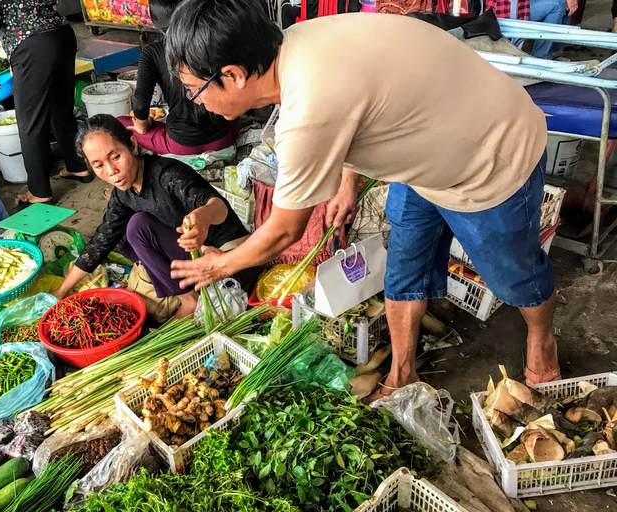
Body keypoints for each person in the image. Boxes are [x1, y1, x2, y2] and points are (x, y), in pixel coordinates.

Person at [165, 5, 558, 398]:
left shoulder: (307, 109)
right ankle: (402, 374)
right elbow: (364, 102)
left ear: (232, 76)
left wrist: (221, 265)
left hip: (493, 154)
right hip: (426, 155)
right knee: (404, 269)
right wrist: (346, 180)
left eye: (193, 89)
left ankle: (542, 338)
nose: (193, 101)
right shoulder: (299, 42)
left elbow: (285, 229)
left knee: (513, 275)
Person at [52, 115, 256, 318]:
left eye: (116, 157)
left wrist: (203, 217)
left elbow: (218, 205)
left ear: (132, 145)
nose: (111, 171)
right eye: (99, 165)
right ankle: (172, 284)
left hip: (227, 263)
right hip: (192, 264)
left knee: (139, 226)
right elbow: (100, 243)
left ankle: (189, 300)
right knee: (118, 234)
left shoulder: (167, 174)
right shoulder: (123, 193)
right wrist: (61, 291)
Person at [0, 0, 90, 207]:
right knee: (60, 110)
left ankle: (39, 192)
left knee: (30, 123)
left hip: (30, 43)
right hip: (60, 34)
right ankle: (78, 166)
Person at [116, 0, 234, 156]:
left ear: (154, 21)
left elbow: (140, 105)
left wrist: (143, 126)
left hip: (181, 145)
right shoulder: (212, 41)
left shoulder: (153, 53)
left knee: (120, 122)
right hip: (223, 138)